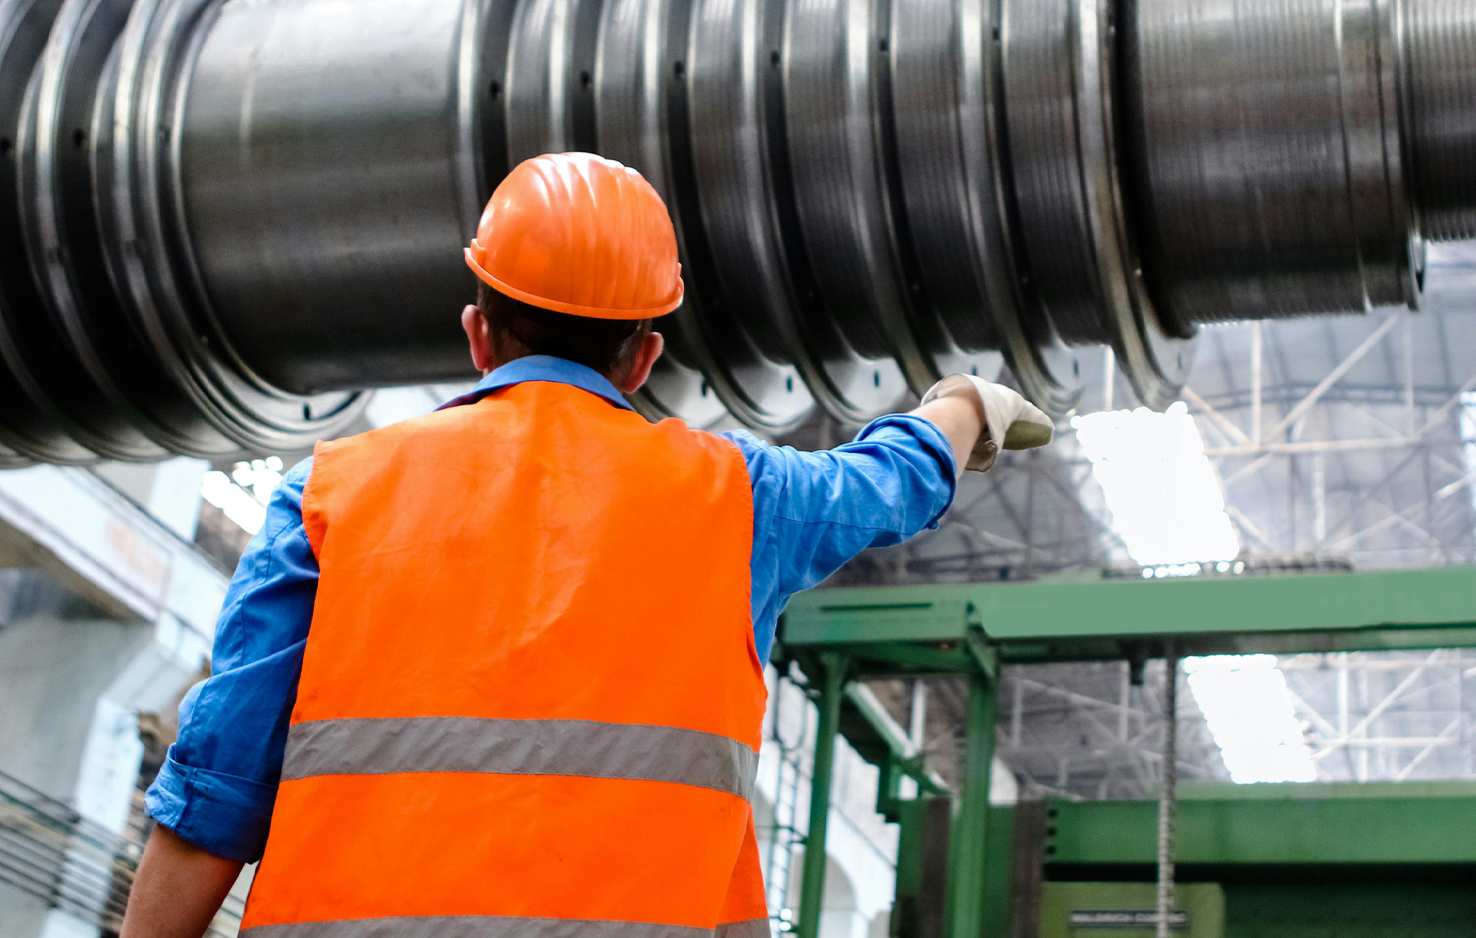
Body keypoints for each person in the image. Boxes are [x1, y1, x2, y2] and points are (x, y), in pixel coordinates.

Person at [118, 152, 1052, 938]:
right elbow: (888, 483)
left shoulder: (327, 497)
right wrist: (960, 406)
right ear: (644, 358)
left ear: (478, 333)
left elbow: (214, 794)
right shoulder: (742, 498)